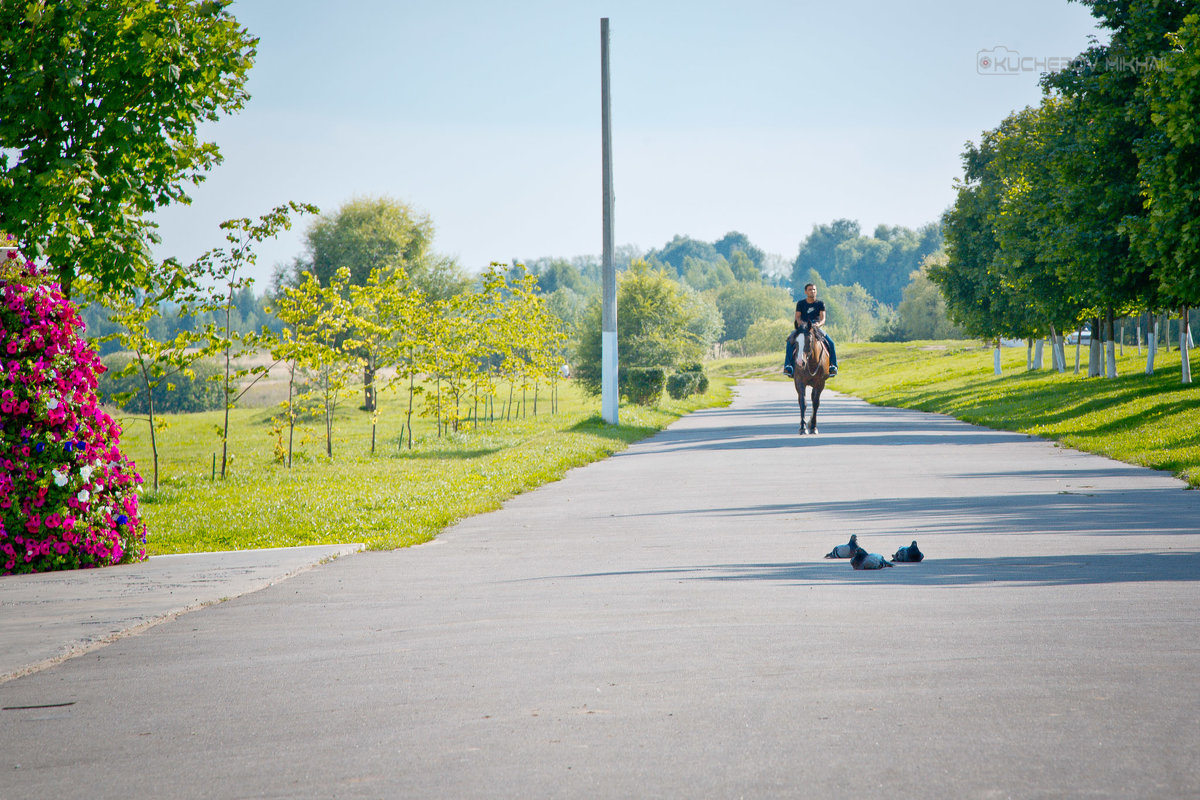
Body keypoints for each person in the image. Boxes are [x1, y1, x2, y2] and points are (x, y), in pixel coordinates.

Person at [784, 283, 838, 377]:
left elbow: (823, 319)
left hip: (815, 328)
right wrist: (802, 325)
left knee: (831, 343)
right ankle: (788, 366)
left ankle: (833, 366)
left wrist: (818, 324)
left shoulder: (820, 303)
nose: (812, 291)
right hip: (803, 328)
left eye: (814, 289)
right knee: (790, 341)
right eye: (810, 289)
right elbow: (797, 317)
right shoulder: (800, 303)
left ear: (816, 291)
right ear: (806, 292)